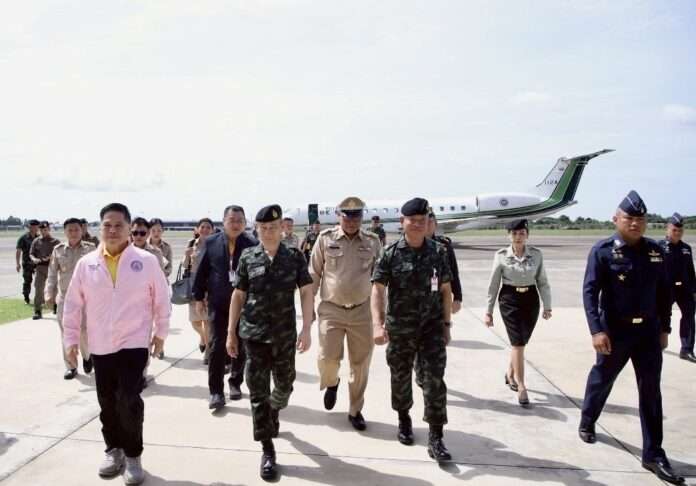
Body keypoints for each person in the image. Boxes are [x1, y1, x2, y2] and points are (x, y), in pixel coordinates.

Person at [578, 191, 684, 485]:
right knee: (603, 378)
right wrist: (596, 330)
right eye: (629, 218)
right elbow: (590, 293)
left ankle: (653, 454)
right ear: (616, 219)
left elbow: (664, 293)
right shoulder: (602, 251)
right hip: (615, 331)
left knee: (651, 391)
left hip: (648, 332)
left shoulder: (656, 252)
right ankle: (588, 419)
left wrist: (665, 329)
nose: (635, 223)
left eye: (640, 219)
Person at [63, 202, 170, 485]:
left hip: (134, 342)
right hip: (100, 344)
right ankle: (113, 449)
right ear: (99, 228)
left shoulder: (146, 261)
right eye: (107, 225)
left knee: (128, 399)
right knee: (107, 401)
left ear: (129, 227)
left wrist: (160, 334)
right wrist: (70, 340)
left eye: (118, 225)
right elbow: (72, 305)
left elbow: (162, 299)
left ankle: (133, 455)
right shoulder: (87, 264)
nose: (112, 230)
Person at [226, 204, 314, 480]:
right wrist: (230, 332)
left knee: (285, 385)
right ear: (257, 230)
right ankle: (267, 448)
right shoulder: (248, 257)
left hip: (284, 335)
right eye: (263, 228)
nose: (268, 232)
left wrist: (307, 329)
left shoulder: (294, 257)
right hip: (254, 335)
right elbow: (238, 295)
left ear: (281, 228)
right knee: (258, 392)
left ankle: (275, 409)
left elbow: (306, 292)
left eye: (273, 227)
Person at [371, 197, 454, 463]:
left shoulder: (438, 252)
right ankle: (403, 418)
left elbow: (446, 290)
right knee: (400, 376)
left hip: (431, 328)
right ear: (402, 222)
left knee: (434, 380)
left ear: (428, 222)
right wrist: (377, 324)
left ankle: (436, 436)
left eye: (422, 220)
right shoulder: (391, 253)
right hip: (400, 328)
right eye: (412, 220)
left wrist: (447, 325)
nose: (418, 225)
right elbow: (378, 289)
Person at [309, 197, 382, 431]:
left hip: (362, 311)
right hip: (331, 309)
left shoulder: (372, 241)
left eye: (356, 216)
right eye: (347, 216)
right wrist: (308, 308)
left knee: (360, 364)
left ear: (361, 217)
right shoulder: (325, 238)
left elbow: (380, 281)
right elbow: (314, 273)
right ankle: (332, 382)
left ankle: (355, 409)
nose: (351, 221)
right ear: (339, 216)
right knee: (327, 358)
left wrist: (381, 317)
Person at [192, 205, 258, 409]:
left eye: (240, 221)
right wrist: (198, 297)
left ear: (245, 223)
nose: (236, 224)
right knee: (216, 345)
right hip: (218, 304)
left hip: (244, 305)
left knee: (240, 343)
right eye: (232, 220)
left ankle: (235, 382)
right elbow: (201, 271)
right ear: (223, 222)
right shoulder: (211, 242)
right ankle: (216, 392)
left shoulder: (252, 244)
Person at [484, 219, 552, 407]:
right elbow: (493, 285)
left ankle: (510, 374)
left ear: (527, 235)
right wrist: (489, 311)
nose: (518, 237)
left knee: (521, 343)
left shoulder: (536, 255)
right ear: (509, 236)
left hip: (530, 300)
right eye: (514, 233)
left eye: (522, 233)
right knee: (518, 343)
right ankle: (521, 386)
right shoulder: (501, 256)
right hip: (509, 300)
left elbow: (543, 281)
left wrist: (547, 305)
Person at [45, 218, 96, 379]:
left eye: (76, 229)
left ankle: (87, 356)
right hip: (65, 299)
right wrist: (49, 292)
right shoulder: (58, 250)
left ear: (82, 230)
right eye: (70, 230)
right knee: (66, 333)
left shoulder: (91, 249)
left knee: (84, 332)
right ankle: (71, 366)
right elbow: (52, 274)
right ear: (65, 232)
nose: (73, 233)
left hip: (85, 299)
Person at [659, 213, 696, 362]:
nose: (677, 233)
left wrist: (694, 290)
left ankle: (687, 349)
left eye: (680, 231)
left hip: (684, 289)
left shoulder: (686, 248)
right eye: (674, 230)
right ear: (668, 229)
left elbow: (691, 271)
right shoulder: (659, 247)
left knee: (689, 316)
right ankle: (658, 344)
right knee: (662, 316)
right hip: (666, 289)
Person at [183, 218, 215, 363]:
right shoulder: (191, 244)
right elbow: (185, 266)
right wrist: (187, 255)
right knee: (195, 321)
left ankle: (208, 350)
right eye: (202, 227)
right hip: (193, 286)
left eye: (208, 227)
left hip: (209, 286)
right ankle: (203, 337)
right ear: (197, 229)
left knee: (207, 320)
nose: (205, 229)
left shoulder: (215, 245)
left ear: (212, 230)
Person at [427, 212, 462, 314]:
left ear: (436, 224)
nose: (427, 225)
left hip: (439, 299)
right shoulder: (413, 245)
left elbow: (454, 271)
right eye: (425, 222)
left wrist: (457, 297)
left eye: (430, 222)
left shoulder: (444, 246)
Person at [29, 221, 60, 320]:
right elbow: (31, 253)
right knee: (38, 288)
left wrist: (52, 257)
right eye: (42, 230)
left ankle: (56, 306)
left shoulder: (55, 241)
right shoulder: (36, 241)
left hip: (52, 268)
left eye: (45, 230)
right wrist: (34, 259)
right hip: (40, 267)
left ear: (49, 229)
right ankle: (37, 311)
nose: (43, 232)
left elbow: (61, 254)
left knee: (54, 288)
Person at [15, 219, 40, 304]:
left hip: (38, 264)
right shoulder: (23, 238)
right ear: (29, 227)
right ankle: (26, 298)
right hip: (27, 264)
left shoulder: (39, 238)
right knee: (27, 281)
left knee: (40, 281)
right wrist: (17, 264)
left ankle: (39, 298)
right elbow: (18, 251)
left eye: (36, 227)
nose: (35, 228)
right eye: (32, 227)